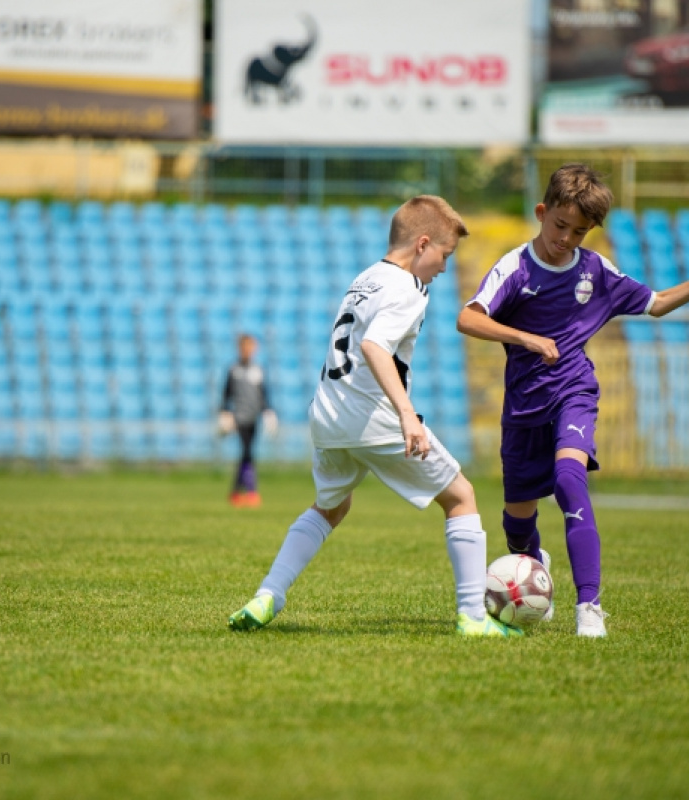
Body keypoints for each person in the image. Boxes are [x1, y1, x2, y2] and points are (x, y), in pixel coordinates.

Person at [228, 195, 523, 637]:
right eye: (444, 255)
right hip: (371, 414)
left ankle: (267, 595)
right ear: (423, 244)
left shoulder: (365, 278)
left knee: (330, 506)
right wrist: (407, 415)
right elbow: (373, 346)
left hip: (327, 413)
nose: (444, 268)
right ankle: (474, 618)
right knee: (461, 497)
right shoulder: (407, 288)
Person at [457, 163, 689, 637]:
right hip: (523, 407)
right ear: (543, 213)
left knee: (569, 479)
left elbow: (658, 302)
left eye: (579, 231)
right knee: (517, 526)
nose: (567, 238)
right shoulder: (515, 266)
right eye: (560, 225)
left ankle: (590, 607)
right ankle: (534, 567)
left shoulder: (594, 270)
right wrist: (527, 338)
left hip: (573, 391)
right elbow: (468, 318)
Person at [218, 333, 278, 507]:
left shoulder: (257, 370)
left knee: (247, 454)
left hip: (254, 418)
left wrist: (268, 411)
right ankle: (251, 492)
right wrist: (224, 412)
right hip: (239, 418)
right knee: (247, 453)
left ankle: (236, 492)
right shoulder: (233, 370)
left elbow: (263, 394)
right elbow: (226, 393)